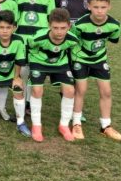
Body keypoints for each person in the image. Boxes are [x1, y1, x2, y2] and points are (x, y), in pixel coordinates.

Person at [70, 0, 121, 141]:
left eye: (103, 7)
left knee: (106, 92)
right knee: (81, 90)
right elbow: (73, 41)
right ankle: (76, 123)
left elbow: (112, 40)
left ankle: (105, 126)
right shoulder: (80, 24)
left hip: (99, 60)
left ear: (109, 7)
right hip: (80, 59)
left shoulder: (115, 25)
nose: (99, 11)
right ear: (89, 6)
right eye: (96, 7)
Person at [26, 8, 81, 142]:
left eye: (63, 28)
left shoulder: (73, 39)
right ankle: (36, 125)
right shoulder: (38, 38)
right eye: (55, 28)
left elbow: (73, 53)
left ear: (69, 26)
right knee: (37, 90)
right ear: (49, 25)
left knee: (70, 90)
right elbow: (28, 48)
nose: (59, 32)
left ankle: (64, 125)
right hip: (38, 62)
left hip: (60, 63)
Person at [13, 0, 56, 114]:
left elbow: (51, 20)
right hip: (22, 41)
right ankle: (22, 101)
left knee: (35, 72)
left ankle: (30, 102)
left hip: (39, 41)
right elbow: (14, 20)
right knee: (23, 72)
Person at [55, 0, 90, 121]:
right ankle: (68, 106)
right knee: (65, 75)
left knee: (78, 76)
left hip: (81, 45)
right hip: (63, 43)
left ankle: (77, 109)